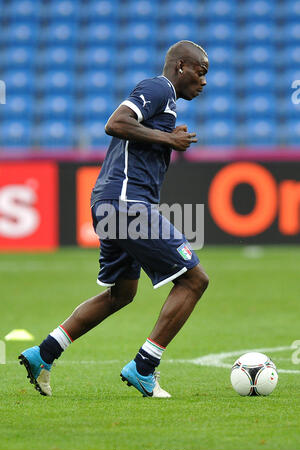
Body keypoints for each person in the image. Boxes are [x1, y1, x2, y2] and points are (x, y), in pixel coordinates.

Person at [19, 40, 209, 398]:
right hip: (126, 203)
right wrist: (167, 139)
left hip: (111, 203)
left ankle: (43, 353)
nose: (203, 82)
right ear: (182, 66)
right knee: (194, 280)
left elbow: (138, 139)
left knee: (121, 294)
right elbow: (116, 123)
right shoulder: (158, 87)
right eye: (201, 72)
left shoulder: (166, 104)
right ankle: (144, 367)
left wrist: (166, 138)